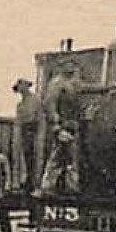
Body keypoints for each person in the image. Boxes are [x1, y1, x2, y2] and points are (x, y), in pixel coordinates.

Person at [39, 60, 85, 195]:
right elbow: (50, 105)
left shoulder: (73, 83)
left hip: (72, 125)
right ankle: (48, 186)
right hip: (62, 125)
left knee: (72, 157)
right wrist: (56, 126)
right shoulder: (57, 84)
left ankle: (72, 186)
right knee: (57, 156)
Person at [12, 78, 40, 195]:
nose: (20, 90)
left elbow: (36, 117)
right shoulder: (20, 105)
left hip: (35, 131)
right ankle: (28, 182)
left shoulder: (35, 100)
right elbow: (19, 121)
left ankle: (34, 183)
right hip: (25, 132)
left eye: (22, 87)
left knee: (35, 158)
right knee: (26, 158)